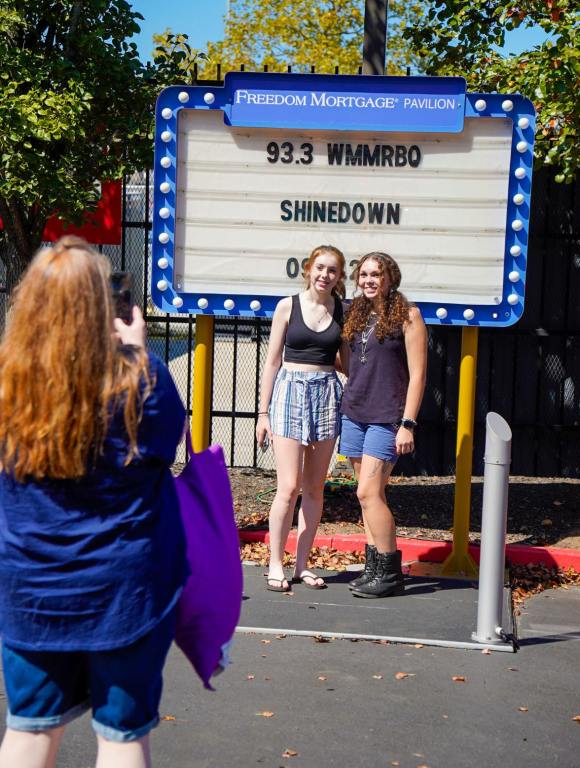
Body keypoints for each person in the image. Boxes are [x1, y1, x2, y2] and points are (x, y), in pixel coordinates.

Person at [0, 237, 188, 768]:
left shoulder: (10, 383)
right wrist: (136, 351)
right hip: (123, 591)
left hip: (31, 587)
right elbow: (167, 444)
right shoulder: (141, 379)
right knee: (122, 735)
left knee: (30, 728)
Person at [256, 245, 346, 592]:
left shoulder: (342, 310)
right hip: (289, 392)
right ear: (308, 269)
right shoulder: (287, 306)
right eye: (320, 267)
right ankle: (275, 564)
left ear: (339, 277)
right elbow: (272, 361)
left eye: (333, 270)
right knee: (288, 487)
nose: (325, 275)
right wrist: (263, 413)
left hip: (326, 393)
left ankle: (302, 565)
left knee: (314, 489)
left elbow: (347, 364)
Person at [339, 251, 427, 598]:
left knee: (368, 492)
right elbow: (345, 361)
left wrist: (408, 423)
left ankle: (390, 572)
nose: (369, 281)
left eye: (376, 275)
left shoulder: (408, 315)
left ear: (390, 278)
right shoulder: (355, 314)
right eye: (363, 275)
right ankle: (374, 569)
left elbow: (418, 375)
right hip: (354, 412)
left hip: (387, 416)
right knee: (368, 497)